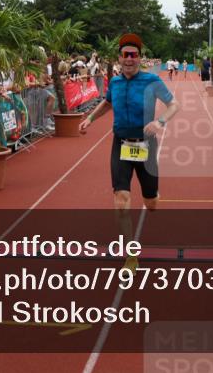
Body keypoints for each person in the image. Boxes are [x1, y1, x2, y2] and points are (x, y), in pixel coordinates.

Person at [79, 33, 180, 270]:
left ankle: (153, 194)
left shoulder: (151, 81)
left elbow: (174, 105)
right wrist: (90, 119)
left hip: (146, 145)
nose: (129, 59)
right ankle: (131, 255)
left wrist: (160, 122)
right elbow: (107, 103)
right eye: (126, 55)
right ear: (120, 58)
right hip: (121, 144)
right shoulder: (115, 82)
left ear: (140, 58)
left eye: (134, 55)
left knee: (151, 203)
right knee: (121, 199)